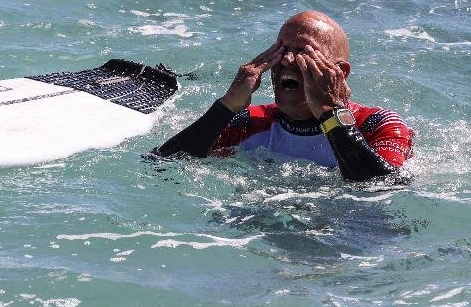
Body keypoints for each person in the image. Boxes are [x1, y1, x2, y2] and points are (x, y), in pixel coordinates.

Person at [155, 11, 413, 181]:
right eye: (281, 50)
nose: (287, 60)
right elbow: (161, 164)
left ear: (340, 72)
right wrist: (227, 106)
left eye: (304, 52)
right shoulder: (249, 122)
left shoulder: (377, 125)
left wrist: (330, 113)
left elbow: (382, 187)